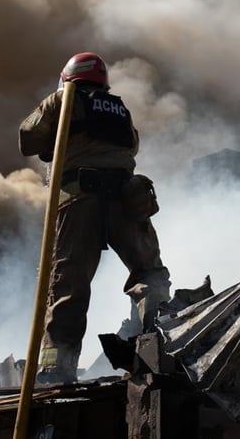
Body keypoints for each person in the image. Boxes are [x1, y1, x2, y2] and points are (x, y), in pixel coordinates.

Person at [19, 52, 172, 385]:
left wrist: (57, 139)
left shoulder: (61, 100)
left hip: (80, 201)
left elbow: (27, 138)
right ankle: (160, 343)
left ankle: (56, 368)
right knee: (148, 272)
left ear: (68, 78)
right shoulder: (119, 109)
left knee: (69, 285)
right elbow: (131, 146)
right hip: (126, 198)